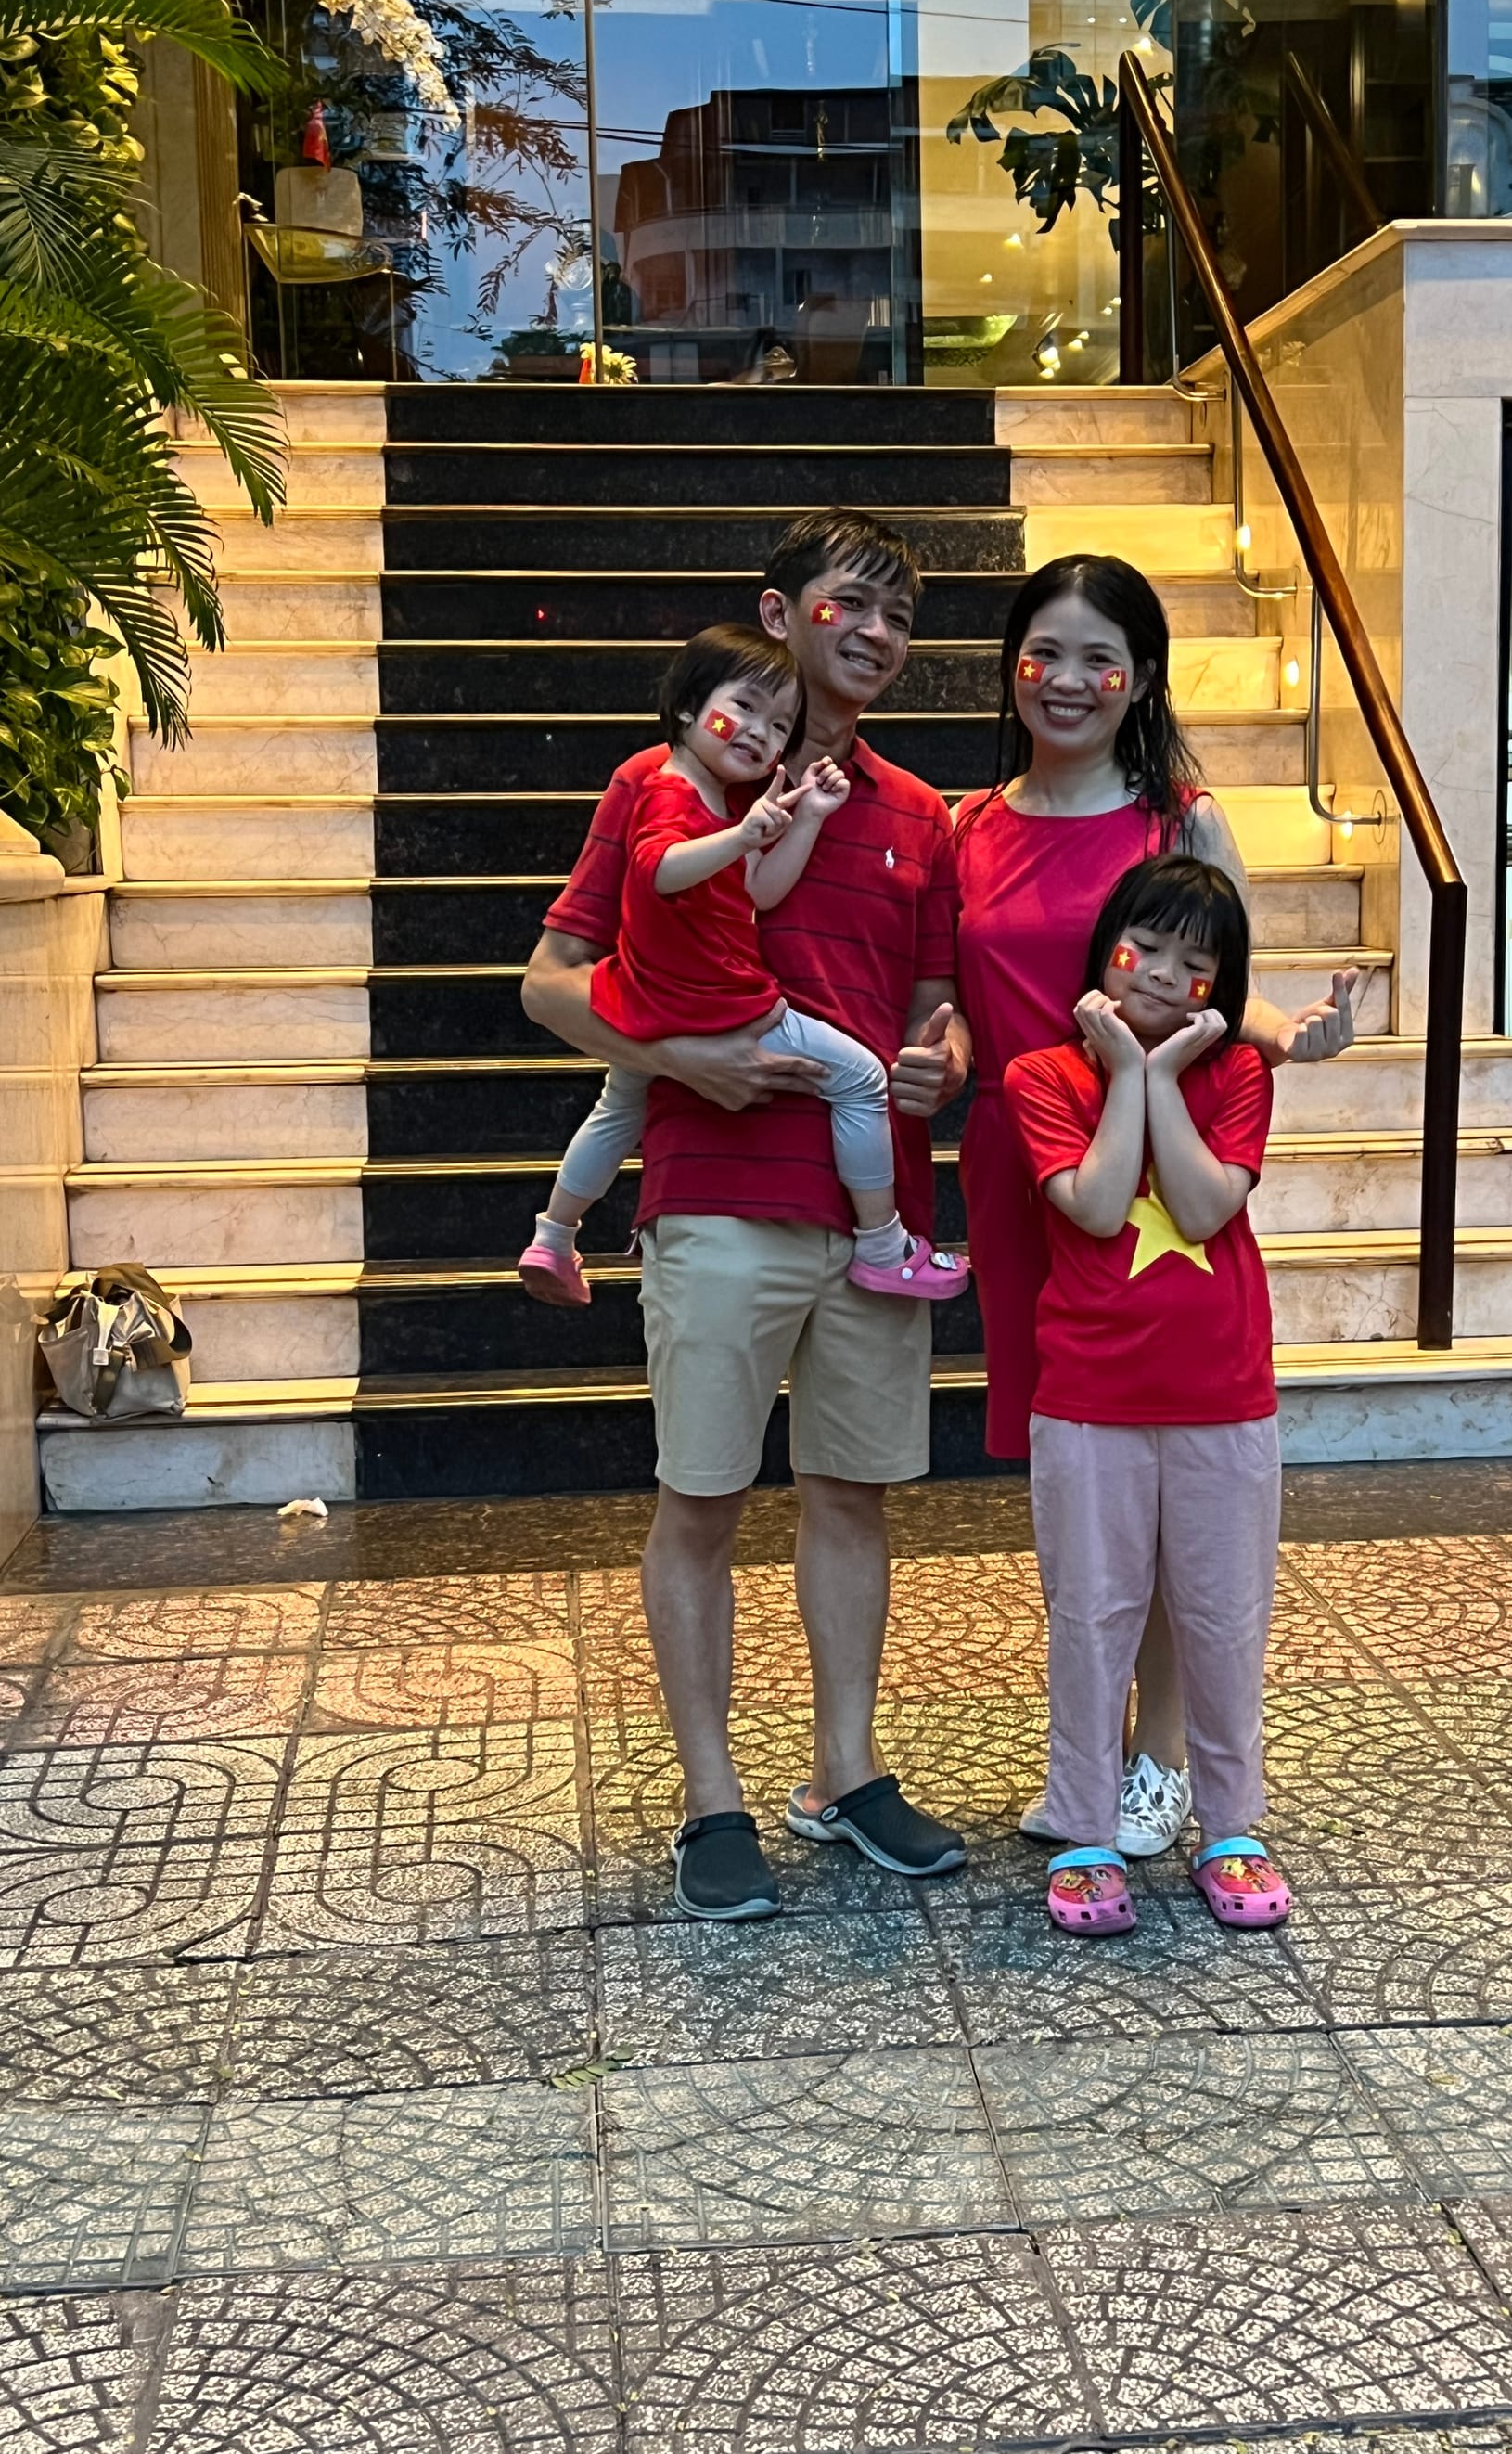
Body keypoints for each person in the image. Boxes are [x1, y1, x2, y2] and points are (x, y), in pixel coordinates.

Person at [520, 508, 974, 1921]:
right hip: (716, 1196)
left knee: (852, 1493)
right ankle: (711, 1799)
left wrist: (944, 1061)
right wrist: (677, 1058)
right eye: (851, 605)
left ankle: (845, 1773)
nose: (878, 634)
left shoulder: (918, 815)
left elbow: (934, 1008)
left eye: (899, 615)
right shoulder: (664, 784)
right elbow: (549, 981)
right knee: (702, 1496)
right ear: (780, 616)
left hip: (871, 1213)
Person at [954, 553, 1359, 1860]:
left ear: (1140, 680)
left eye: (1100, 658)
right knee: (1084, 1475)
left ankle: (1162, 1756)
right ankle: (1091, 1752)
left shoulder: (1179, 817)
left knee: (1176, 1461)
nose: (1068, 680)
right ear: (1011, 664)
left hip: (1164, 1172)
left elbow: (1224, 985)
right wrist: (941, 1052)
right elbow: (953, 996)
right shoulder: (969, 824)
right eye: (1045, 652)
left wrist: (1292, 1036)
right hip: (1034, 1161)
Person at [1005, 854, 1292, 1936]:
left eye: (1193, 963)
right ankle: (1084, 1831)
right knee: (1090, 1617)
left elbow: (1206, 1206)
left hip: (1225, 1395)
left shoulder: (1239, 1075)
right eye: (1146, 947)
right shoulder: (1040, 1076)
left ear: (1219, 987)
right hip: (1087, 1398)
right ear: (1106, 950)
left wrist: (1160, 1075)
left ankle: (1229, 1827)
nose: (1164, 974)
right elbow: (1088, 1205)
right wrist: (1125, 1071)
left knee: (1222, 1616)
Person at [518, 623, 968, 1310]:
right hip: (718, 1001)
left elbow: (759, 890)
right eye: (745, 709)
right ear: (687, 708)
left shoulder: (726, 799)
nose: (761, 732)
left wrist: (804, 818)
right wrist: (741, 834)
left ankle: (554, 1235)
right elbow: (658, 867)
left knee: (618, 1106)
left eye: (780, 725)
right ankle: (883, 1244)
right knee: (861, 1077)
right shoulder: (667, 790)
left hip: (652, 1000)